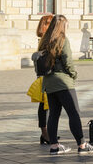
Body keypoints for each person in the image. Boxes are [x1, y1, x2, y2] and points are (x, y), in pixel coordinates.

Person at [39, 15, 93, 155]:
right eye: (66, 25)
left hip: (48, 82)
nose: (67, 27)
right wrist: (73, 74)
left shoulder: (44, 41)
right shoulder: (62, 40)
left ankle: (54, 146)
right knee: (74, 113)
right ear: (62, 26)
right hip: (63, 83)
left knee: (54, 115)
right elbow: (68, 62)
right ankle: (82, 145)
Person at [34, 14, 54, 145]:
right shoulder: (47, 40)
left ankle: (46, 133)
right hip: (46, 76)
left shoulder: (45, 39)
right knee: (45, 106)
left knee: (46, 105)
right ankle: (45, 133)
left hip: (43, 75)